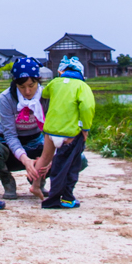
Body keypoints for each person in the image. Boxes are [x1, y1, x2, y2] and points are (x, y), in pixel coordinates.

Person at [0, 56, 49, 199]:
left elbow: (50, 131)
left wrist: (48, 157)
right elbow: (10, 135)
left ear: (38, 81)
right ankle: (7, 181)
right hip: (8, 144)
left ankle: (38, 180)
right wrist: (26, 160)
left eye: (32, 85)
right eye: (22, 87)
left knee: (74, 157)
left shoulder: (46, 96)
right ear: (15, 84)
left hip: (35, 141)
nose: (27, 91)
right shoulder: (6, 98)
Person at [29, 55, 95, 210]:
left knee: (45, 158)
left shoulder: (55, 83)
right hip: (69, 134)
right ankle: (62, 197)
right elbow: (87, 107)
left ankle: (35, 185)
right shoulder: (82, 87)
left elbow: (44, 95)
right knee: (68, 166)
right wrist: (85, 128)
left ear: (62, 71)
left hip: (50, 130)